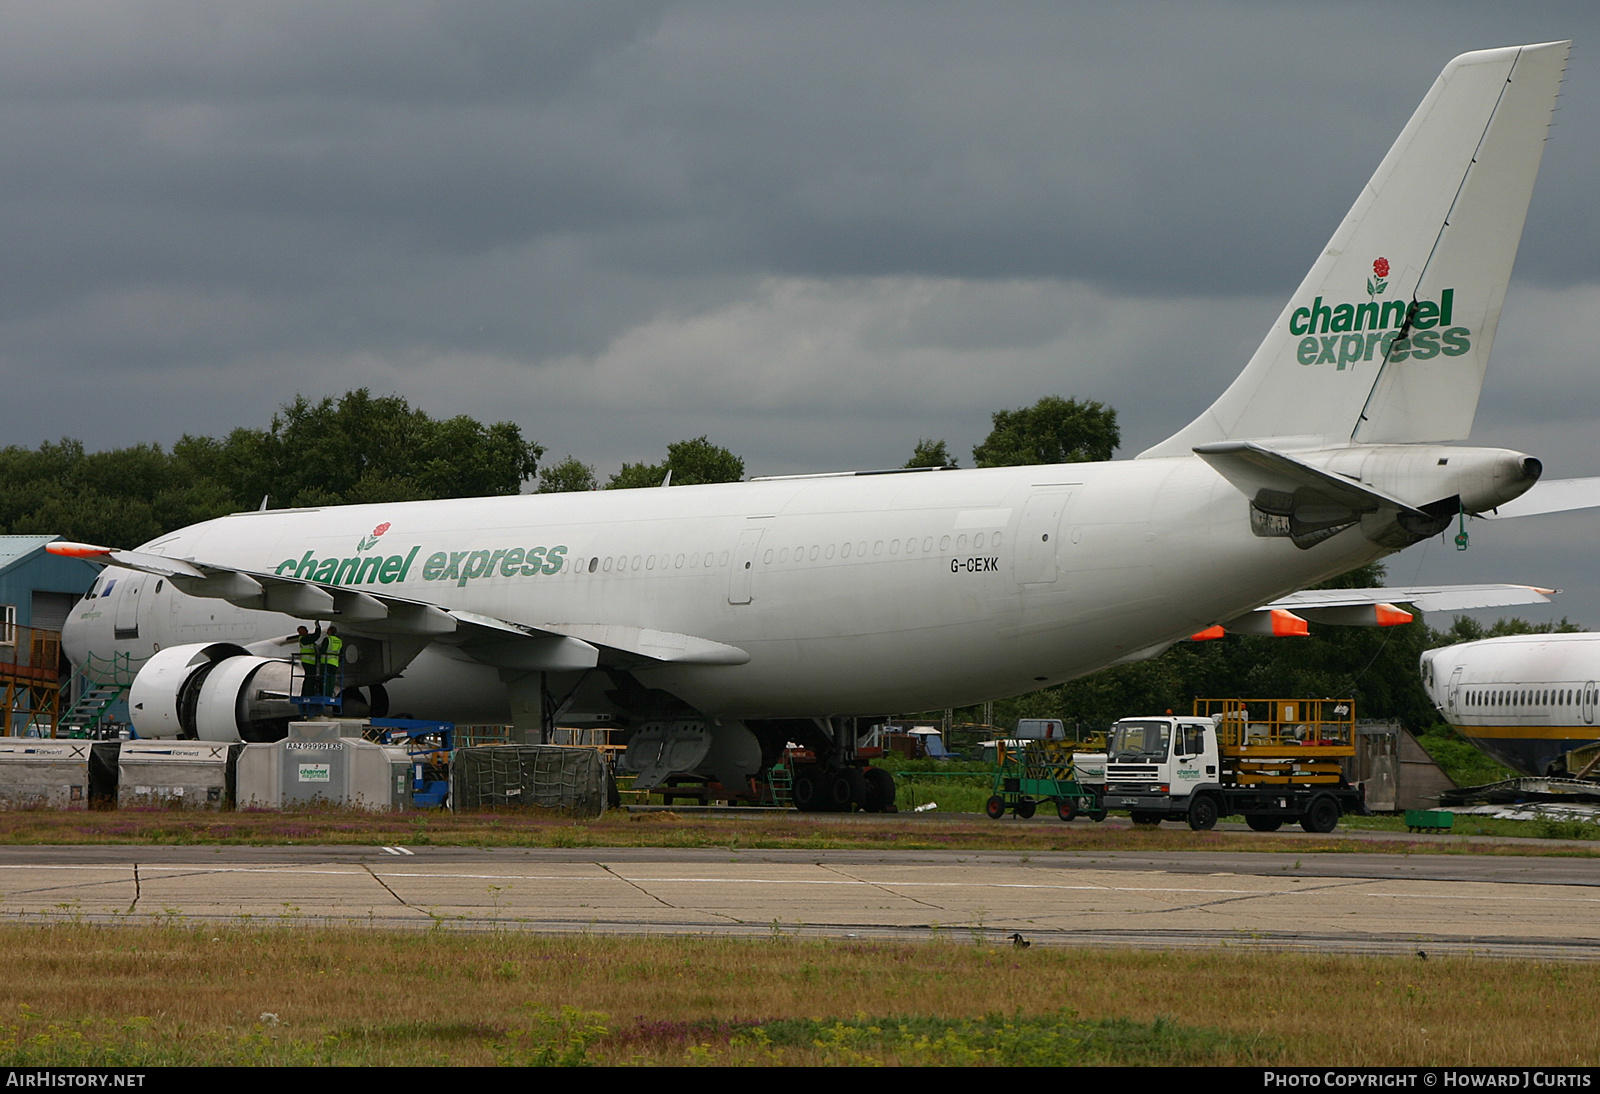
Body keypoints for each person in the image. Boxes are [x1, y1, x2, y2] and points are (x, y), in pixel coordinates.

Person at [295, 624, 323, 697]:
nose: (307, 631)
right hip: (308, 661)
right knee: (310, 678)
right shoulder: (303, 639)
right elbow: (314, 637)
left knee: (310, 678)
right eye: (305, 630)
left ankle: (307, 692)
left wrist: (317, 627)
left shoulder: (307, 637)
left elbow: (316, 635)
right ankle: (308, 693)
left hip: (311, 661)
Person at [319, 625, 344, 699]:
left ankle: (324, 694)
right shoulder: (339, 641)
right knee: (331, 679)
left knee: (325, 679)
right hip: (335, 663)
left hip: (326, 662)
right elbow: (341, 652)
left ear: (330, 631)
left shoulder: (327, 639)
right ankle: (329, 694)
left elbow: (323, 650)